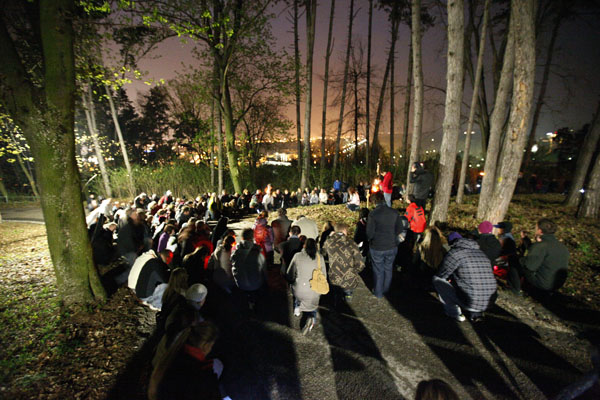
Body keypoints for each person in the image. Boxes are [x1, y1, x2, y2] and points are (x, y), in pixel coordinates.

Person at [432, 232, 497, 322]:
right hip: (490, 301)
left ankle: (454, 313)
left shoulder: (455, 253)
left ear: (452, 243)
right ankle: (476, 313)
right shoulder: (481, 253)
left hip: (470, 301)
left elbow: (442, 274)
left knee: (437, 279)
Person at [148, 322, 222, 400]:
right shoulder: (202, 374)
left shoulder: (175, 355)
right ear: (205, 345)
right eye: (211, 346)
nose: (210, 350)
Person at [507, 218, 569, 295]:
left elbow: (529, 266)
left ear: (540, 231)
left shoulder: (541, 245)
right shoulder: (562, 247)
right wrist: (525, 239)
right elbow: (538, 253)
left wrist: (519, 259)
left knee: (514, 260)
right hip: (556, 284)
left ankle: (514, 289)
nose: (535, 230)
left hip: (543, 284)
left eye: (536, 228)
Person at [367, 191, 404, 298]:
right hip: (391, 245)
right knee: (388, 268)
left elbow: (369, 233)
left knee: (378, 270)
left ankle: (378, 292)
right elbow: (399, 229)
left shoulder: (373, 214)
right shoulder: (394, 212)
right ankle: (385, 289)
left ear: (374, 202)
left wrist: (370, 240)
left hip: (377, 246)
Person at [286, 238, 326, 335]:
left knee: (296, 286)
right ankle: (312, 317)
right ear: (316, 247)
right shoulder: (320, 258)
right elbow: (324, 275)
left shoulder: (297, 256)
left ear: (304, 246)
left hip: (299, 290)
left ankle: (297, 308)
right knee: (313, 304)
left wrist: (292, 281)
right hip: (314, 290)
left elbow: (289, 274)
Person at [323, 223, 365, 302]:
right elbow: (360, 264)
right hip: (349, 280)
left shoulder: (329, 242)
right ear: (344, 230)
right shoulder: (352, 243)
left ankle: (337, 303)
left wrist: (329, 237)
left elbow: (323, 253)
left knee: (336, 295)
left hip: (334, 278)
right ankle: (348, 298)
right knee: (348, 294)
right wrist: (353, 272)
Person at [231, 228, 266, 310]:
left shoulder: (235, 251)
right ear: (253, 237)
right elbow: (264, 269)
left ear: (242, 237)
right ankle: (254, 303)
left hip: (240, 283)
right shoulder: (258, 251)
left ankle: (246, 301)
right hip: (255, 284)